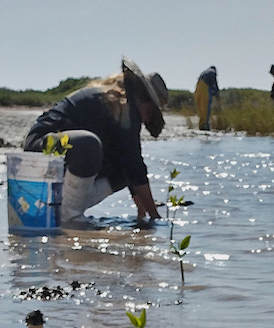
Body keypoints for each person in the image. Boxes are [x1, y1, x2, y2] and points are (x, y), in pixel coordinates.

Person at [24, 57, 167, 227]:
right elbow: (135, 162)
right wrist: (155, 216)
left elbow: (131, 166)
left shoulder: (123, 106)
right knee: (88, 144)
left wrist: (142, 214)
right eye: (151, 112)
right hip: (42, 146)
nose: (147, 118)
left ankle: (66, 210)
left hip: (67, 159)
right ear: (143, 99)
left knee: (123, 170)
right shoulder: (124, 106)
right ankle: (68, 217)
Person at [195, 65, 220, 130]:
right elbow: (214, 84)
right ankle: (205, 126)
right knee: (206, 108)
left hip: (197, 88)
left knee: (201, 109)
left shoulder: (204, 72)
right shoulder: (212, 72)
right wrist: (217, 94)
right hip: (204, 89)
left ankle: (200, 125)